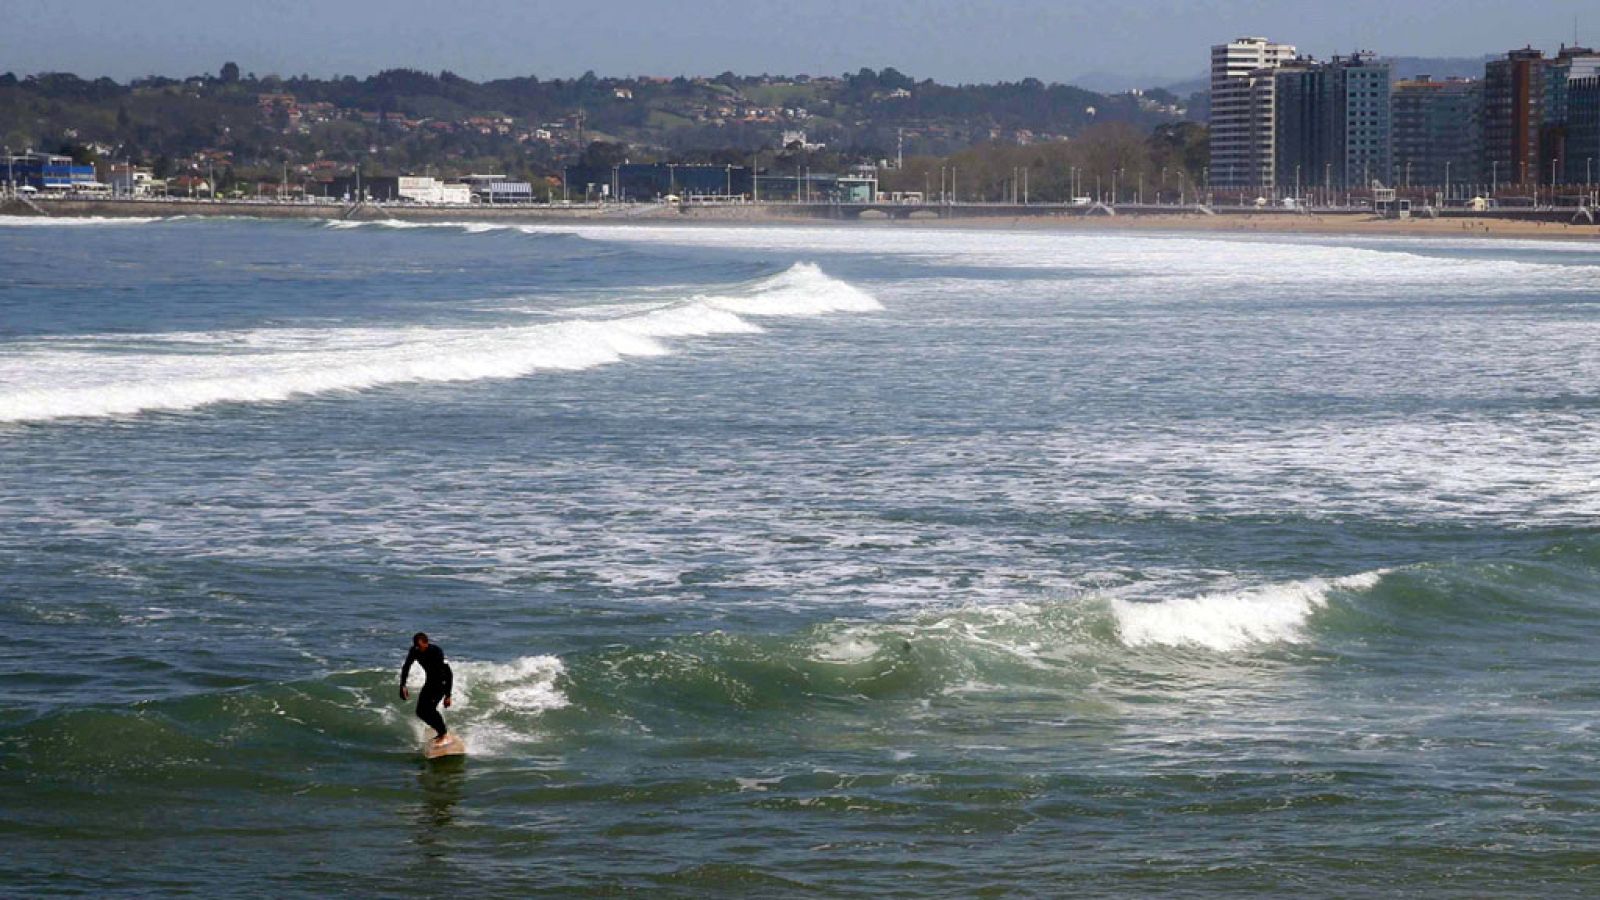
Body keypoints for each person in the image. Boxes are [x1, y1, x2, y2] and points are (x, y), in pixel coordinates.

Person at [399, 632, 454, 745]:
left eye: (419, 646)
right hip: (430, 682)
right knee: (420, 712)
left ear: (426, 643)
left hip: (441, 683)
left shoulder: (436, 651)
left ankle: (443, 733)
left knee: (430, 709)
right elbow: (406, 667)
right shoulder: (414, 650)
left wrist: (448, 695)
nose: (417, 648)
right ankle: (439, 729)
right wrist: (403, 685)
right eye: (415, 645)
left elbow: (448, 673)